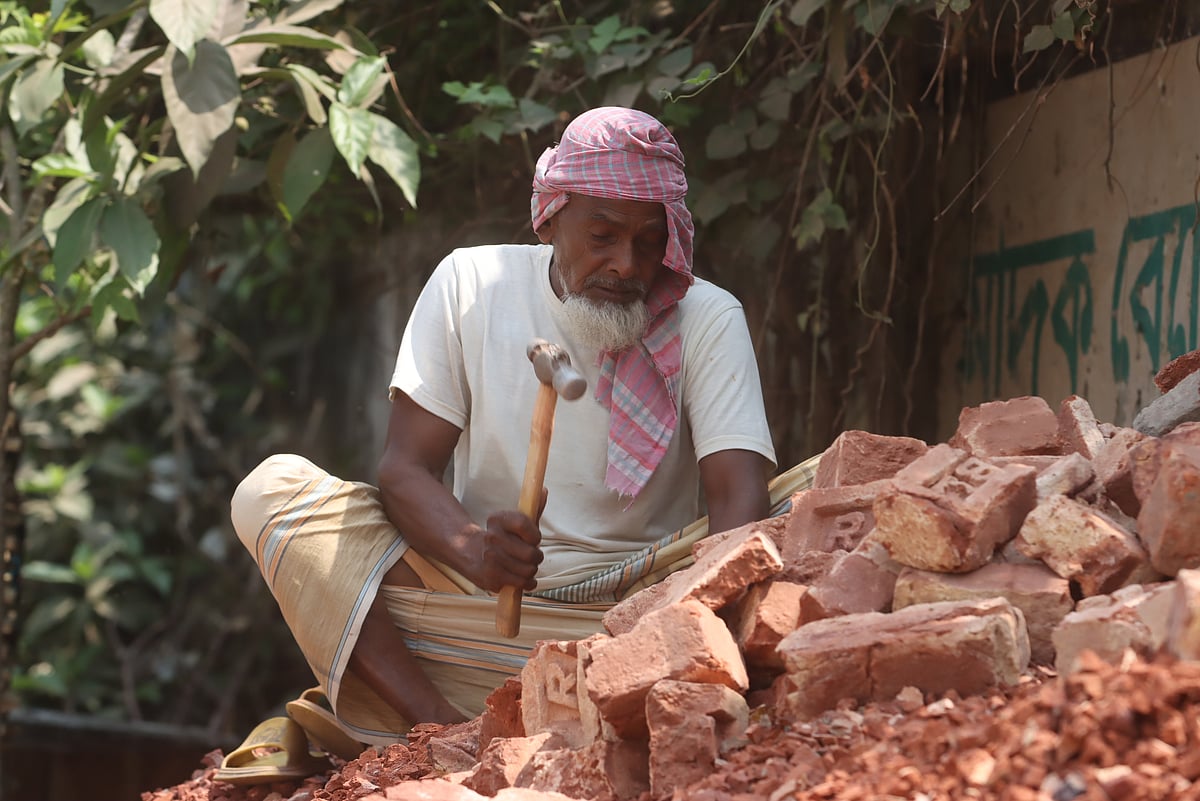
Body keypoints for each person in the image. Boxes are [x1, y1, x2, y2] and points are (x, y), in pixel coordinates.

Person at [230, 106, 818, 753]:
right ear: (551, 218)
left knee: (815, 489)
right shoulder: (470, 283)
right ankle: (443, 730)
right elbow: (404, 469)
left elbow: (738, 498)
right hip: (476, 607)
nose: (627, 265)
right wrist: (474, 550)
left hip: (632, 624)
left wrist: (695, 628)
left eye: (650, 242)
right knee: (269, 491)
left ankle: (574, 706)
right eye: (603, 236)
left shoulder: (707, 316)